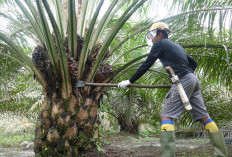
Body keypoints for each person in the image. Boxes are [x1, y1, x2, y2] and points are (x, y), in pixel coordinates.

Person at [118, 22, 228, 157]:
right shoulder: (177, 46)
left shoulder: (159, 44)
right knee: (204, 117)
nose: (151, 39)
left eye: (152, 35)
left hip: (184, 81)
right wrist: (184, 75)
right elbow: (194, 63)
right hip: (193, 80)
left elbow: (147, 63)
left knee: (166, 115)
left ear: (159, 34)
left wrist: (130, 81)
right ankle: (221, 154)